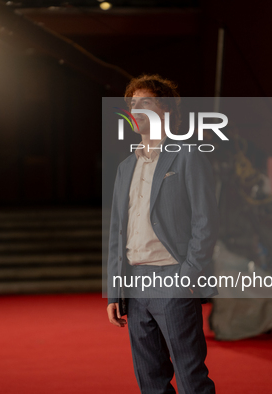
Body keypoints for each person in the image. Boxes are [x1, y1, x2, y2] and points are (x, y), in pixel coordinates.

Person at [106, 74, 218, 393]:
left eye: (146, 103)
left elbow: (206, 221)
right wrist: (115, 289)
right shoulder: (125, 166)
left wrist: (188, 275)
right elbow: (118, 231)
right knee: (150, 381)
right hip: (135, 283)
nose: (136, 110)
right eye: (132, 105)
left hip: (173, 278)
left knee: (190, 378)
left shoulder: (187, 156)